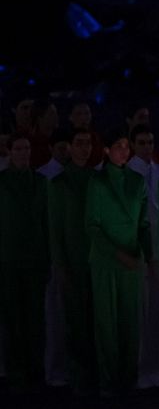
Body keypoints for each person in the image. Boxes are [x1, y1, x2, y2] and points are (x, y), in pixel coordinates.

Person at [86, 128, 151, 397]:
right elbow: (93, 227)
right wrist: (119, 254)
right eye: (118, 146)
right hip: (106, 261)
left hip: (132, 260)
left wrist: (146, 255)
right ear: (106, 150)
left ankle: (128, 378)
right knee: (107, 321)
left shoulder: (137, 180)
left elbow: (144, 223)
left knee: (130, 320)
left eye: (127, 146)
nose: (124, 150)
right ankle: (108, 381)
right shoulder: (97, 182)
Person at [49, 128, 96, 394]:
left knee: (94, 320)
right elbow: (55, 228)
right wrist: (60, 263)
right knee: (73, 320)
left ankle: (92, 373)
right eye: (79, 143)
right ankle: (76, 375)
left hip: (96, 260)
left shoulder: (96, 179)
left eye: (87, 143)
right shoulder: (58, 184)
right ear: (70, 146)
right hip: (71, 262)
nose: (83, 148)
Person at [0, 134, 49, 392]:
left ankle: (34, 368)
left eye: (27, 148)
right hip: (7, 260)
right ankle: (15, 370)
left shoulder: (41, 182)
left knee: (35, 317)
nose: (23, 153)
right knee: (12, 318)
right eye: (18, 148)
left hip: (35, 259)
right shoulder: (2, 182)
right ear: (9, 151)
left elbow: (46, 222)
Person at [127, 124, 159, 389]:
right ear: (132, 144)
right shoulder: (128, 174)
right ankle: (138, 370)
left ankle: (155, 371)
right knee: (139, 316)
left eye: (150, 141)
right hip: (137, 253)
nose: (147, 146)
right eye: (141, 142)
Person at [39, 129, 70, 388]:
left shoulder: (75, 177)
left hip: (77, 258)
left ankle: (66, 370)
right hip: (54, 258)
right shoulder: (46, 178)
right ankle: (52, 371)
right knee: (54, 317)